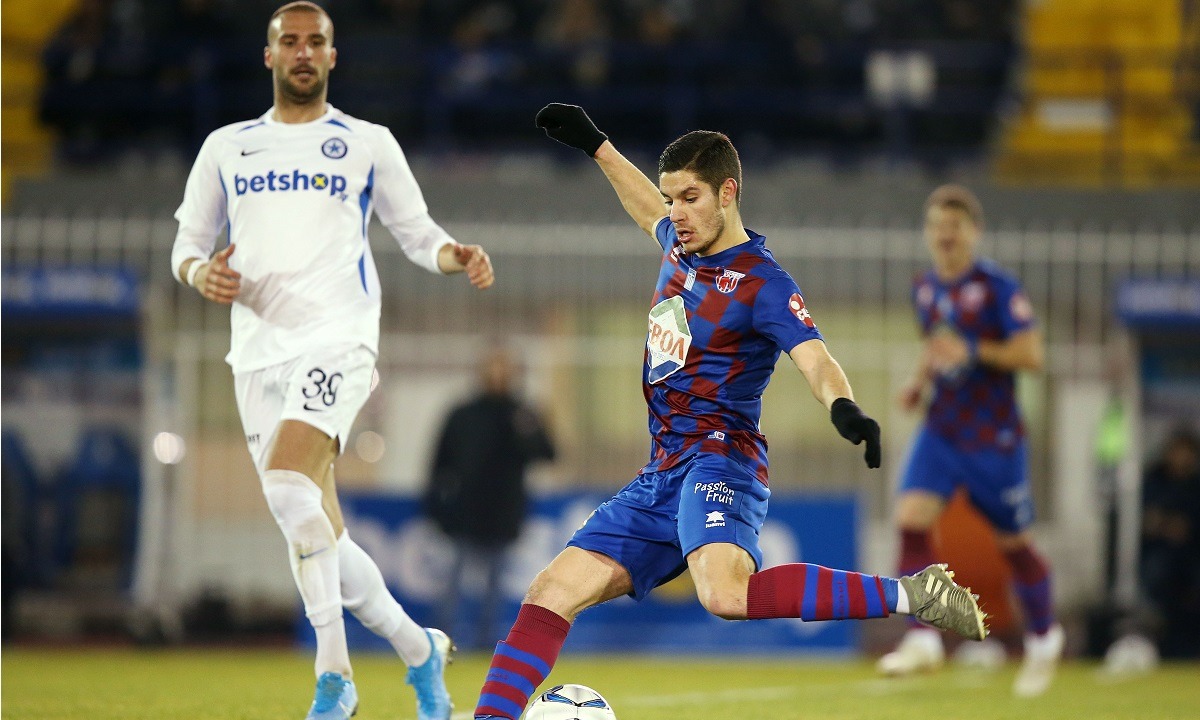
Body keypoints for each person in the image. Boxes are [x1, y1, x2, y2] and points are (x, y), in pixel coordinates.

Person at [471, 105, 988, 720]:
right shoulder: (678, 245)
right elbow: (644, 206)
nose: (676, 213)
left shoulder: (763, 283)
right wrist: (597, 145)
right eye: (672, 199)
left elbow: (815, 357)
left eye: (690, 198)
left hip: (721, 459)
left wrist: (844, 406)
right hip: (662, 470)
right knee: (550, 591)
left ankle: (914, 593)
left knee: (724, 594)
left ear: (727, 192)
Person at [169, 4, 494, 719]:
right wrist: (200, 272)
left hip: (338, 340)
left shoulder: (366, 143)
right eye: (289, 41)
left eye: (315, 41)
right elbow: (186, 245)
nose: (302, 52)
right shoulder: (228, 147)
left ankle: (334, 677)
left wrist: (455, 254)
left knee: (291, 490)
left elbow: (417, 233)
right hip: (256, 355)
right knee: (320, 534)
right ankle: (418, 649)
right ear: (269, 56)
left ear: (332, 56)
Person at [877, 184, 1062, 697]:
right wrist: (918, 384)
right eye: (937, 226)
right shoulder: (924, 288)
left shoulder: (998, 288)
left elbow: (1031, 355)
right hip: (942, 429)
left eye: (954, 226)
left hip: (993, 439)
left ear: (973, 233)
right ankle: (922, 638)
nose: (945, 235)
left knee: (1014, 545)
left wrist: (975, 350)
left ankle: (1044, 636)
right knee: (910, 520)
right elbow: (937, 346)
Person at [425, 344, 556, 650]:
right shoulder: (463, 414)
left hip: (503, 513)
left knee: (494, 587)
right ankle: (440, 644)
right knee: (453, 584)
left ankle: (485, 644)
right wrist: (436, 506)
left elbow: (547, 453)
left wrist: (530, 428)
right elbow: (439, 463)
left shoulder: (521, 414)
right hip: (464, 511)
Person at [1138, 428, 1200, 658]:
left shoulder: (1195, 485)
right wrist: (1167, 525)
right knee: (1157, 573)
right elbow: (1146, 520)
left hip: (1191, 553)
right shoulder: (1153, 481)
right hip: (1159, 553)